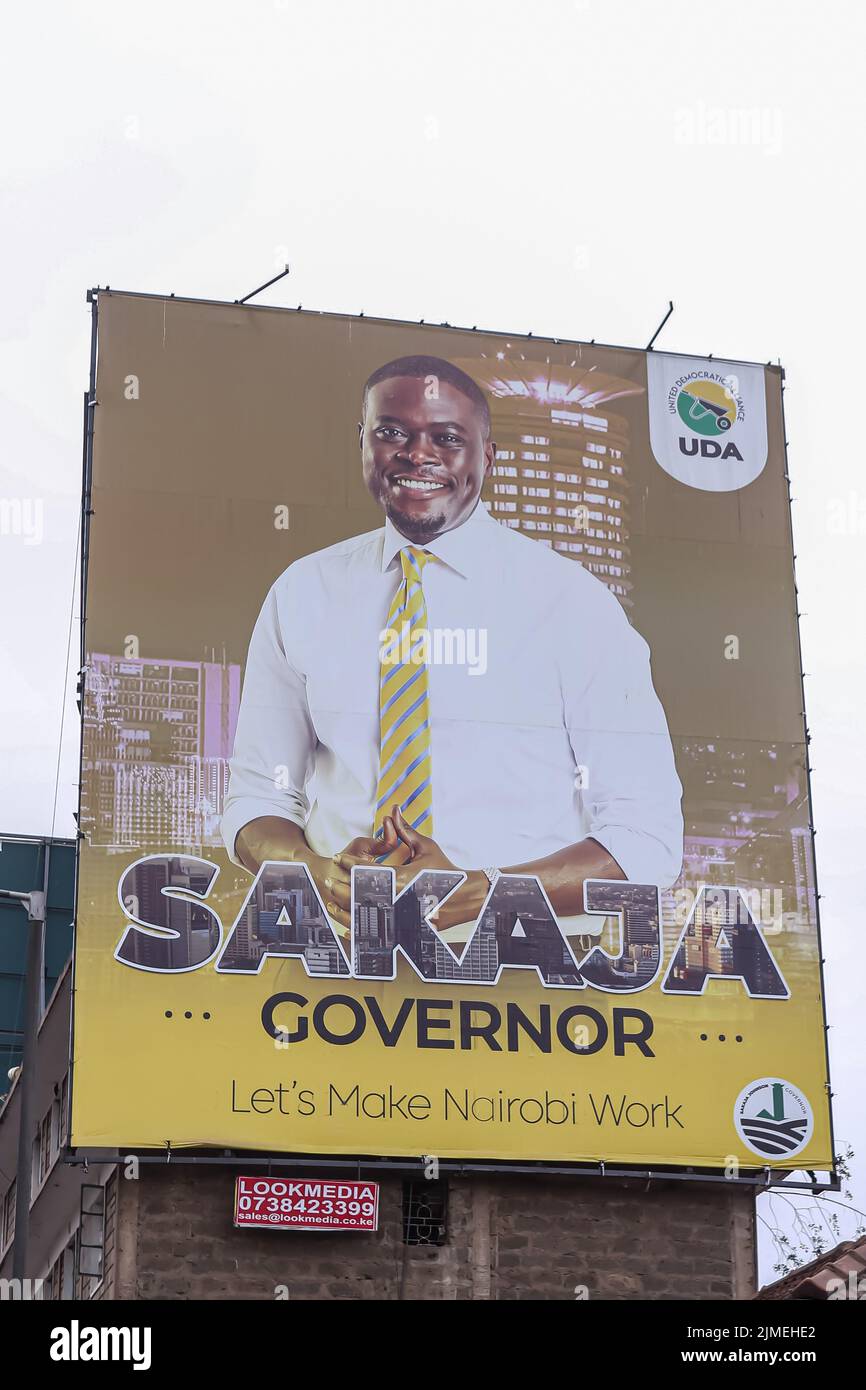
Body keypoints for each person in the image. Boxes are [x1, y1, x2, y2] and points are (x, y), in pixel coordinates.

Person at [222, 354, 683, 939]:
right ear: (362, 443)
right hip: (328, 967)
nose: (418, 454)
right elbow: (258, 798)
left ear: (486, 457)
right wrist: (314, 873)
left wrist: (485, 891)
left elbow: (646, 840)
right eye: (392, 432)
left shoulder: (573, 605)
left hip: (526, 983)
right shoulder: (303, 592)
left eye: (447, 437)